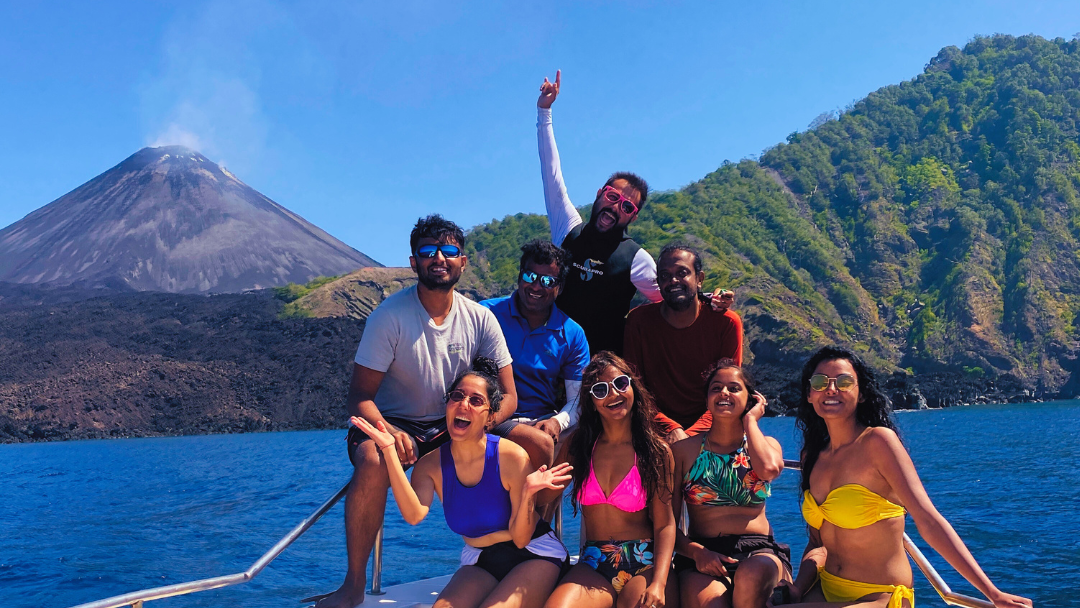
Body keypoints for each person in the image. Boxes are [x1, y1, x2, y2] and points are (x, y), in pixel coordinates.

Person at [314, 215, 551, 608]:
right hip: (393, 421)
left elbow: (509, 395)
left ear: (463, 262)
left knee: (536, 443)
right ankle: (354, 583)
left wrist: (484, 422)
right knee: (373, 459)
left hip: (456, 418)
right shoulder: (389, 317)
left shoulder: (480, 318)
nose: (439, 258)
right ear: (413, 262)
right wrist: (388, 431)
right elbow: (359, 396)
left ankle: (523, 540)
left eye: (450, 250)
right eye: (428, 251)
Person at [777, 346, 1032, 608]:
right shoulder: (813, 454)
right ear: (809, 394)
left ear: (861, 393)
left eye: (844, 382)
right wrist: (798, 587)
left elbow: (929, 521)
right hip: (826, 588)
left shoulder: (878, 442)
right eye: (820, 382)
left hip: (878, 596)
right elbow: (817, 541)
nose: (831, 389)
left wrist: (993, 593)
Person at [351, 359, 573, 608]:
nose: (463, 404)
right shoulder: (430, 465)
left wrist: (529, 493)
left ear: (490, 416)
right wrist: (390, 451)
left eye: (476, 400)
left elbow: (522, 539)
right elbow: (414, 515)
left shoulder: (511, 457)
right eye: (457, 396)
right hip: (481, 559)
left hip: (534, 552)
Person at [538, 352, 678, 608]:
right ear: (591, 402)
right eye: (600, 390)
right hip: (593, 561)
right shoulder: (579, 445)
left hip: (643, 560)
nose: (613, 394)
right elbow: (546, 496)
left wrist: (659, 582)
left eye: (620, 384)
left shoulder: (654, 451)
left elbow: (664, 525)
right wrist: (535, 484)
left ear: (632, 387)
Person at [671, 359, 790, 608]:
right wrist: (697, 552)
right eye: (716, 388)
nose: (724, 392)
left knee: (751, 576)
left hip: (759, 550)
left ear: (751, 399)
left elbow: (768, 470)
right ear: (706, 400)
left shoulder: (767, 446)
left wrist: (750, 422)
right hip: (703, 552)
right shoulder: (682, 452)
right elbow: (666, 523)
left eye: (734, 388)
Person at [623, 243, 741, 444]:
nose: (673, 280)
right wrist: (671, 428)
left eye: (682, 273)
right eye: (665, 276)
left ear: (700, 279)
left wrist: (691, 435)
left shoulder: (726, 322)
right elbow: (635, 387)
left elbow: (728, 392)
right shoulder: (638, 321)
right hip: (655, 431)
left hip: (713, 429)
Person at [480, 239, 591, 445]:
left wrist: (556, 422)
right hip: (490, 420)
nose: (536, 286)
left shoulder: (573, 334)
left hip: (544, 423)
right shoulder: (485, 313)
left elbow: (577, 400)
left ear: (561, 287)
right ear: (519, 276)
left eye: (548, 281)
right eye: (530, 276)